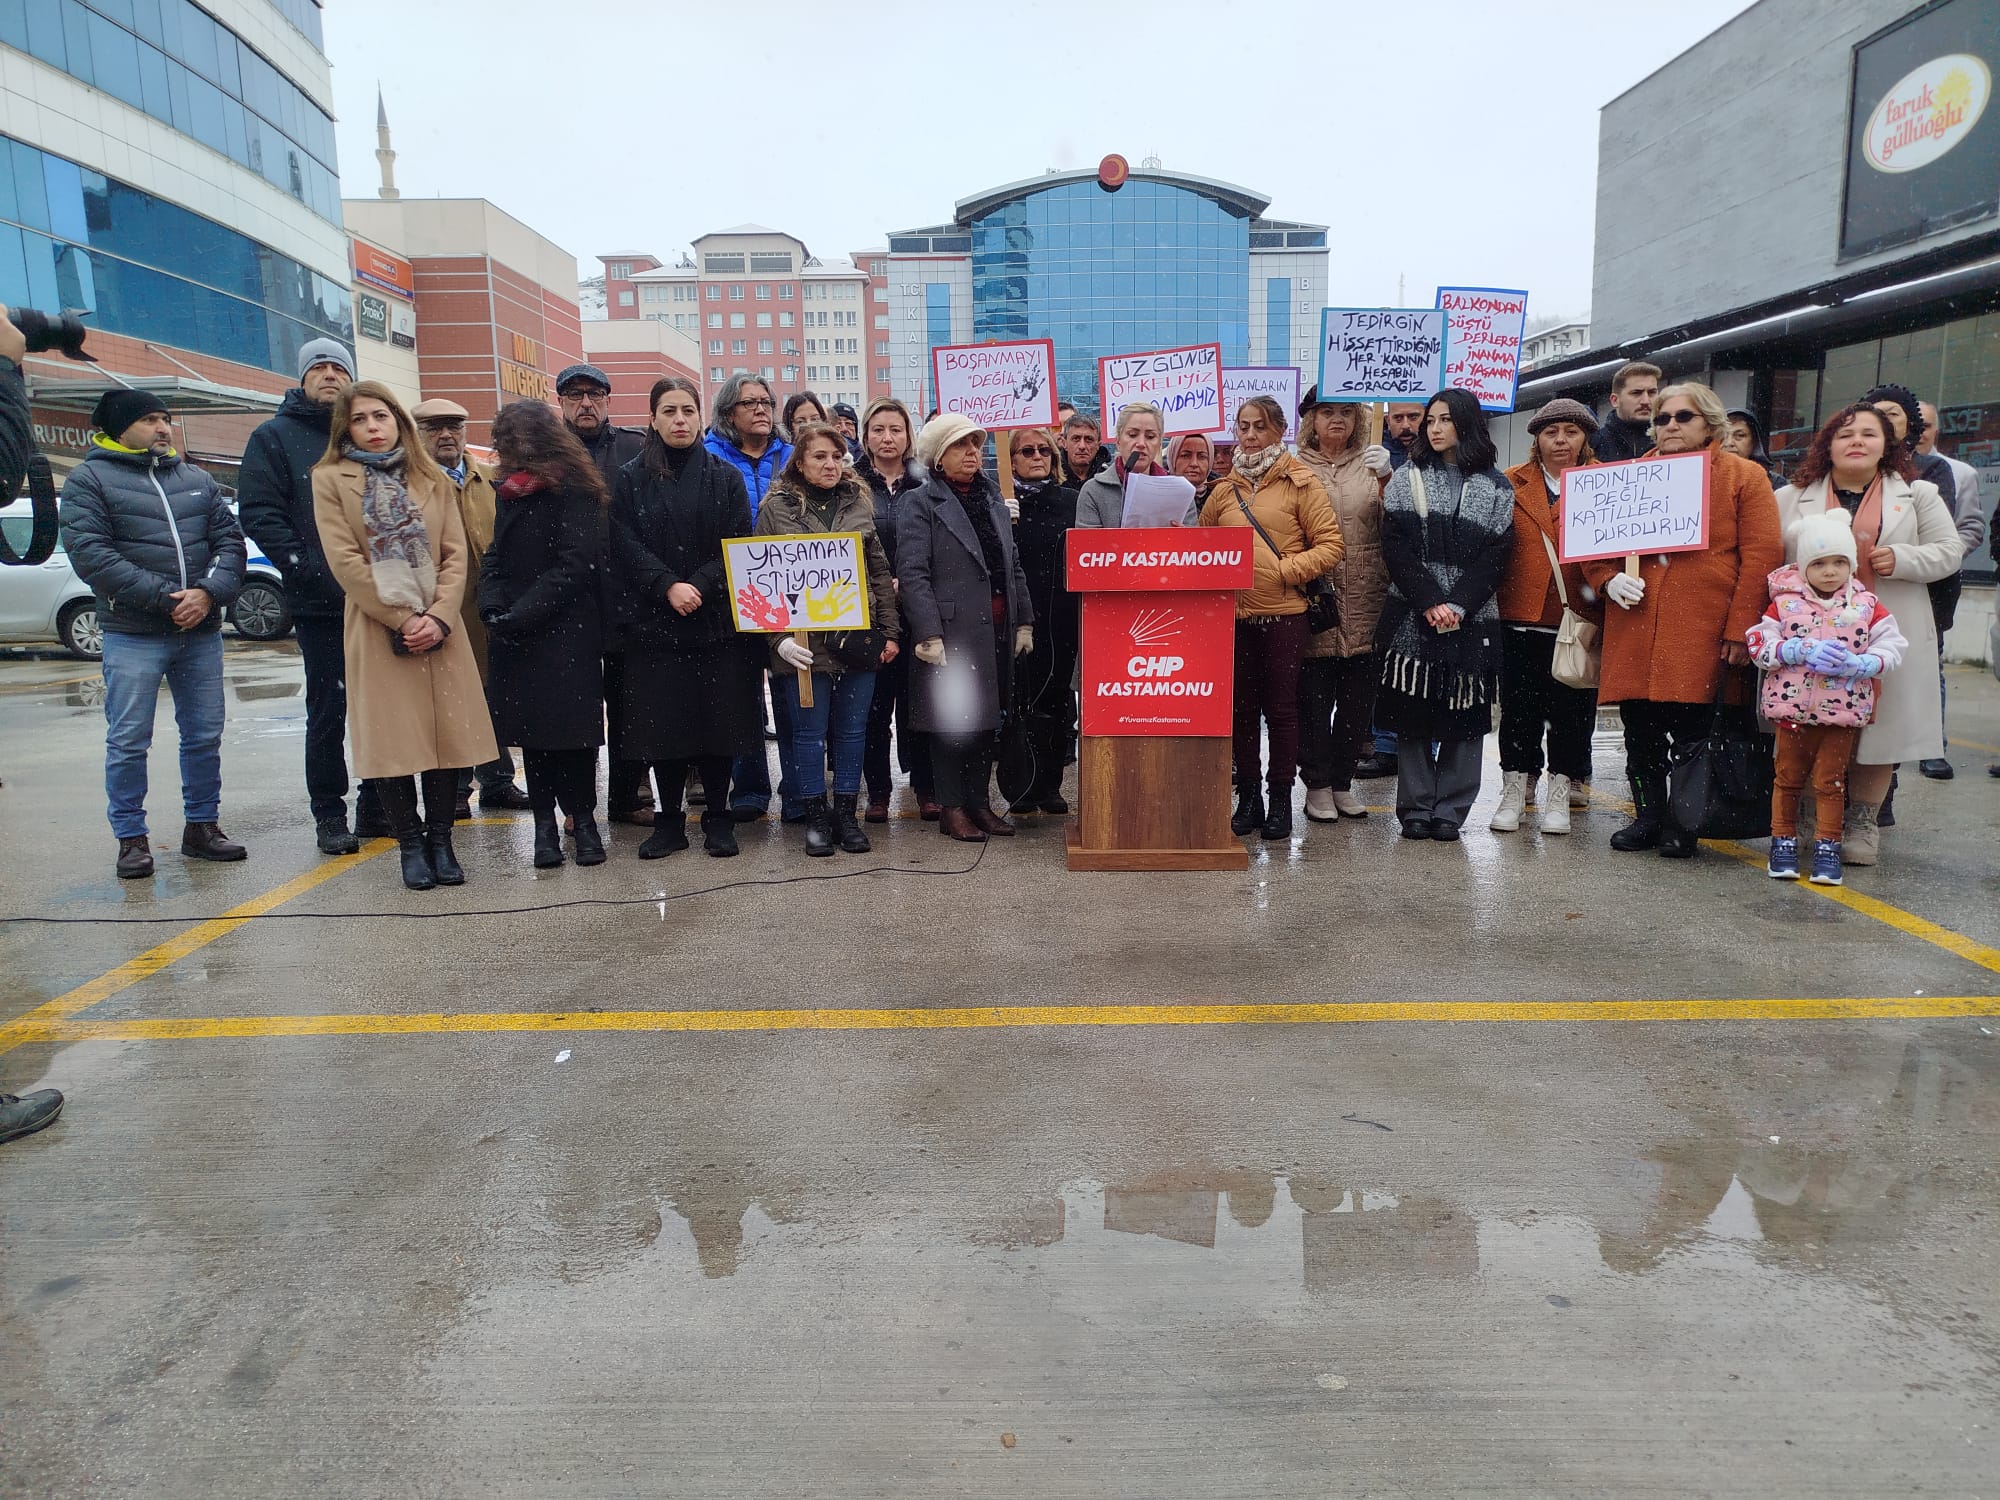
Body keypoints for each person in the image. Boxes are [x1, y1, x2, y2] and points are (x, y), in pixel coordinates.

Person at [1584, 381, 1784, 859]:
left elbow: (1761, 558)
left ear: (1710, 422)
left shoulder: (1744, 477)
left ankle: (1685, 819)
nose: (1670, 425)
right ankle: (1648, 816)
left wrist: (1740, 629)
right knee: (1640, 731)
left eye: (1682, 417)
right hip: (1636, 624)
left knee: (1696, 732)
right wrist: (1607, 578)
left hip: (1703, 626)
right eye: (1661, 418)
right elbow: (1592, 544)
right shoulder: (1631, 475)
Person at [312, 383, 495, 891]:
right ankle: (410, 846)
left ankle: (442, 841)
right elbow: (344, 560)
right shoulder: (330, 479)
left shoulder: (431, 478)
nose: (373, 427)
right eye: (359, 419)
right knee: (396, 744)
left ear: (398, 422)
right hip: (378, 628)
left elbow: (455, 554)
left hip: (442, 627)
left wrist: (437, 617)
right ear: (344, 429)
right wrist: (402, 619)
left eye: (381, 416)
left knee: (444, 739)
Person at [59, 388, 248, 877]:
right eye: (149, 420)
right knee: (128, 739)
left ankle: (202, 827)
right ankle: (131, 838)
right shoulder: (89, 480)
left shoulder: (196, 479)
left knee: (204, 734)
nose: (163, 428)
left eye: (165, 418)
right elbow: (92, 556)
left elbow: (230, 543)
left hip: (200, 631)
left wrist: (207, 593)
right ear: (119, 428)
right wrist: (170, 599)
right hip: (133, 633)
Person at [1773, 402, 1961, 865]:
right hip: (1812, 637)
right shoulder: (1791, 497)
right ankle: (1806, 817)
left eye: (1869, 434)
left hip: (1885, 632)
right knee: (1808, 724)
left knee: (1883, 732)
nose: (1857, 440)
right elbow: (1770, 559)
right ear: (1828, 444)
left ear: (1887, 445)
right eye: (1845, 433)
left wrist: (1903, 558)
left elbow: (1950, 551)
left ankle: (1862, 822)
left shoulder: (1918, 494)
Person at [239, 337, 386, 853]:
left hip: (381, 601)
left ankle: (377, 804)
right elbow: (260, 511)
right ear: (302, 378)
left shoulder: (368, 434)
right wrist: (307, 567)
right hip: (321, 601)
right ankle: (329, 814)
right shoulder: (274, 437)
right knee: (330, 710)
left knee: (380, 707)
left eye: (338, 367)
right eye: (318, 367)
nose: (329, 375)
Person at [609, 377, 762, 859]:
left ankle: (718, 818)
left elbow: (737, 541)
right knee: (664, 729)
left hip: (715, 620)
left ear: (701, 417)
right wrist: (666, 586)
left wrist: (699, 583)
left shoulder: (724, 476)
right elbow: (623, 543)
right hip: (655, 625)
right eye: (669, 411)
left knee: (718, 726)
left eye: (688, 411)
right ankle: (669, 821)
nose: (680, 420)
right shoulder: (631, 478)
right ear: (653, 419)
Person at [1201, 395, 1343, 840]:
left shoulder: (1301, 482)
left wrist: (1285, 571)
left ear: (1278, 430)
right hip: (1235, 616)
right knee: (1240, 711)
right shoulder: (1224, 489)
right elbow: (1202, 545)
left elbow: (1331, 545)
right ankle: (1249, 798)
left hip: (1284, 614)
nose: (1248, 434)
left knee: (1281, 711)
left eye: (1258, 426)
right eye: (1242, 426)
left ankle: (1280, 797)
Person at [1374, 389, 1514, 841]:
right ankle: (1415, 808)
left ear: (1467, 424)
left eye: (1444, 420)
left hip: (1473, 615)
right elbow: (1395, 547)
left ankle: (1450, 811)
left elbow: (1497, 554)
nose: (1433, 428)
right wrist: (1431, 599)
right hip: (1414, 610)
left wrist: (1459, 603)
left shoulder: (1497, 486)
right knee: (1413, 712)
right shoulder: (1405, 476)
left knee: (1465, 712)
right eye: (1430, 420)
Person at [754, 421, 899, 856]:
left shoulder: (858, 503)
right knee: (809, 733)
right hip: (802, 642)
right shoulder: (776, 508)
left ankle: (847, 817)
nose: (831, 464)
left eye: (837, 456)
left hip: (856, 636)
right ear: (800, 461)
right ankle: (816, 817)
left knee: (853, 731)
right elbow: (760, 578)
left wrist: (889, 632)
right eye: (820, 456)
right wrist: (776, 639)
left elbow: (878, 572)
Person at [478, 401, 610, 870]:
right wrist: (491, 603)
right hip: (519, 631)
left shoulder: (575, 488)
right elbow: (496, 554)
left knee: (575, 737)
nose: (513, 451)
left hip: (566, 632)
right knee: (532, 740)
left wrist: (521, 613)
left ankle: (584, 822)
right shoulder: (509, 492)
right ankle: (544, 828)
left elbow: (575, 565)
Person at [1745, 509, 1906, 885]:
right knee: (1787, 779)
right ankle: (1782, 841)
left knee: (1831, 782)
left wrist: (1866, 662)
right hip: (1791, 711)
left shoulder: (1866, 606)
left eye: (1839, 562)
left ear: (1851, 564)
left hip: (1842, 714)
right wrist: (1793, 650)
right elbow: (1759, 643)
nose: (1830, 571)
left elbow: (1894, 644)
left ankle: (1827, 846)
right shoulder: (1783, 604)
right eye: (1819, 563)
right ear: (1803, 567)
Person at [899, 413, 1034, 842]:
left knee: (984, 722)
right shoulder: (920, 502)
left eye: (976, 445)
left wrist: (1024, 620)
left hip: (994, 627)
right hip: (951, 631)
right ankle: (952, 806)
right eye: (961, 446)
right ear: (939, 457)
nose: (973, 453)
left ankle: (978, 802)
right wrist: (927, 632)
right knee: (951, 724)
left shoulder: (993, 496)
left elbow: (1011, 565)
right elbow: (914, 572)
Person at [412, 398, 531, 817]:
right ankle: (457, 789)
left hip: (493, 608)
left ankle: (498, 780)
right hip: (443, 612)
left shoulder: (491, 479)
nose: (446, 435)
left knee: (493, 696)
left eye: (454, 427)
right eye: (434, 428)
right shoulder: (411, 484)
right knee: (451, 702)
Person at [1493, 398, 1602, 836]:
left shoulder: (1605, 482)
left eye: (1571, 432)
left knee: (1572, 711)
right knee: (1518, 710)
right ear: (1536, 438)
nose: (1561, 440)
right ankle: (1514, 789)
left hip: (1577, 614)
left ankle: (1560, 787)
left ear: (1584, 438)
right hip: (1519, 614)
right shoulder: (1509, 482)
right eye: (1551, 432)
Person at [556, 362, 652, 828]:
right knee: (577, 710)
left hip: (628, 599)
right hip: (568, 603)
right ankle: (578, 805)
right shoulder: (544, 452)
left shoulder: (636, 447)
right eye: (575, 395)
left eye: (594, 395)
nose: (586, 404)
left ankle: (629, 797)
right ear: (561, 402)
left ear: (609, 400)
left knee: (631, 705)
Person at [705, 375, 797, 821]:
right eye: (750, 403)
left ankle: (799, 787)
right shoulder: (708, 458)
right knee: (743, 696)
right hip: (730, 592)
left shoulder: (792, 456)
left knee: (792, 690)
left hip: (789, 589)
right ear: (728, 413)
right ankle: (750, 792)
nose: (762, 410)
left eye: (767, 402)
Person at [1292, 394, 1389, 821]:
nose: (1336, 420)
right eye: (1327, 412)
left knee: (1356, 702)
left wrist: (1389, 479)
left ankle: (1342, 782)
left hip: (1368, 597)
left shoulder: (1371, 463)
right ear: (1312, 420)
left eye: (1345, 412)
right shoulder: (1294, 468)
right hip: (1317, 599)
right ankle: (1316, 783)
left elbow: (1399, 523)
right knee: (1313, 700)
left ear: (1359, 418)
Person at [855, 397, 934, 820]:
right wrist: (880, 586)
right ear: (866, 436)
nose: (888, 437)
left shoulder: (925, 484)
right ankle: (879, 792)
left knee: (918, 703)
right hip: (870, 614)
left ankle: (925, 786)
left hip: (919, 609)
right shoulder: (852, 484)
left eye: (896, 430)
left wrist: (913, 582)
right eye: (879, 429)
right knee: (874, 706)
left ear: (908, 436)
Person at [1003, 424, 1080, 814]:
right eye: (1027, 451)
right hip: (1015, 618)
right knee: (1018, 702)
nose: (1037, 457)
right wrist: (1001, 520)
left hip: (1061, 618)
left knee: (1057, 702)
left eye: (1044, 451)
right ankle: (1020, 785)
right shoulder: (999, 502)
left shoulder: (1071, 500)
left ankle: (1050, 785)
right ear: (1011, 459)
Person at [1352, 401, 1425, 778]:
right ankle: (1385, 746)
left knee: (1423, 667)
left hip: (1427, 580)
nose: (1406, 424)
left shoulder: (1440, 459)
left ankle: (1423, 745)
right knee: (1385, 668)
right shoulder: (1367, 455)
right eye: (1397, 417)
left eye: (1414, 417)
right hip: (1379, 576)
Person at [1918, 399, 1987, 782]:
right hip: (1887, 577)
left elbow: (1972, 527)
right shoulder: (1884, 469)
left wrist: (1941, 557)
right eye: (1916, 423)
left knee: (1930, 665)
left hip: (1937, 585)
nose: (1920, 430)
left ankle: (1933, 748)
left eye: (1927, 424)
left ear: (1937, 429)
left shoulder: (1961, 473)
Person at [1075, 403, 1194, 529]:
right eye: (1132, 435)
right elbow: (1088, 546)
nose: (1141, 443)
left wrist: (1185, 539)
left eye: (1150, 437)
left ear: (1159, 443)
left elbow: (1196, 545)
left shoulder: (1181, 492)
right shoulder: (1093, 491)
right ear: (1118, 441)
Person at [1593, 361, 1662, 463]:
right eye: (1636, 393)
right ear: (1615, 400)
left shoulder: (1669, 438)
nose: (1646, 401)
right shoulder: (1594, 445)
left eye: (1652, 392)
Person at [1723, 408, 1784, 488]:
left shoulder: (1775, 483)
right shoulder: (1703, 479)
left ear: (1755, 441)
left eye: (1740, 435)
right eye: (1722, 435)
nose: (1729, 443)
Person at [1059, 411, 1110, 487]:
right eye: (1076, 438)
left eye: (1089, 439)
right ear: (1064, 443)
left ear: (1098, 445)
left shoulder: (1109, 479)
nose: (1082, 446)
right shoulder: (1052, 478)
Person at [1168, 432, 1217, 505]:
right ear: (1173, 458)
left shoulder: (1224, 496)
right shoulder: (1157, 494)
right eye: (1185, 456)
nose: (1194, 463)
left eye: (1202, 457)